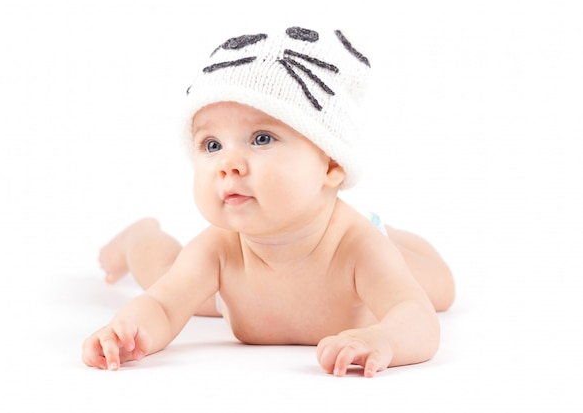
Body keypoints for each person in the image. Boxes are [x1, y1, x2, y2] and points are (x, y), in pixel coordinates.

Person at [81, 26, 455, 377]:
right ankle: (138, 237)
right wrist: (124, 332)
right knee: (165, 276)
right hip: (235, 299)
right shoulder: (218, 249)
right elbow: (161, 306)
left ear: (332, 165)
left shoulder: (357, 247)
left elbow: (418, 318)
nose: (227, 165)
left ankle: (394, 234)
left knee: (437, 290)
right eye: (212, 145)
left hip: (361, 255)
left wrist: (383, 339)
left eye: (261, 139)